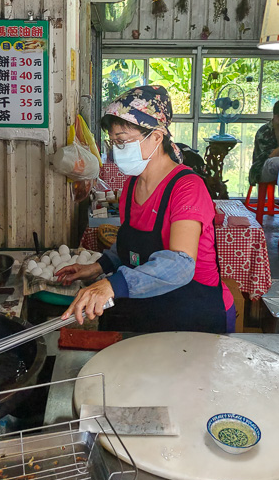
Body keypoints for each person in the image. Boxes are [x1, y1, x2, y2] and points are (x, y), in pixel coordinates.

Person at [57, 85, 234, 333]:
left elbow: (181, 264)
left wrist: (112, 285)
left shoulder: (187, 188)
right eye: (113, 142)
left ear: (157, 136)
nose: (117, 150)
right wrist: (98, 268)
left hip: (194, 313)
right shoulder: (132, 184)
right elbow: (132, 248)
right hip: (154, 308)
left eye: (123, 141)